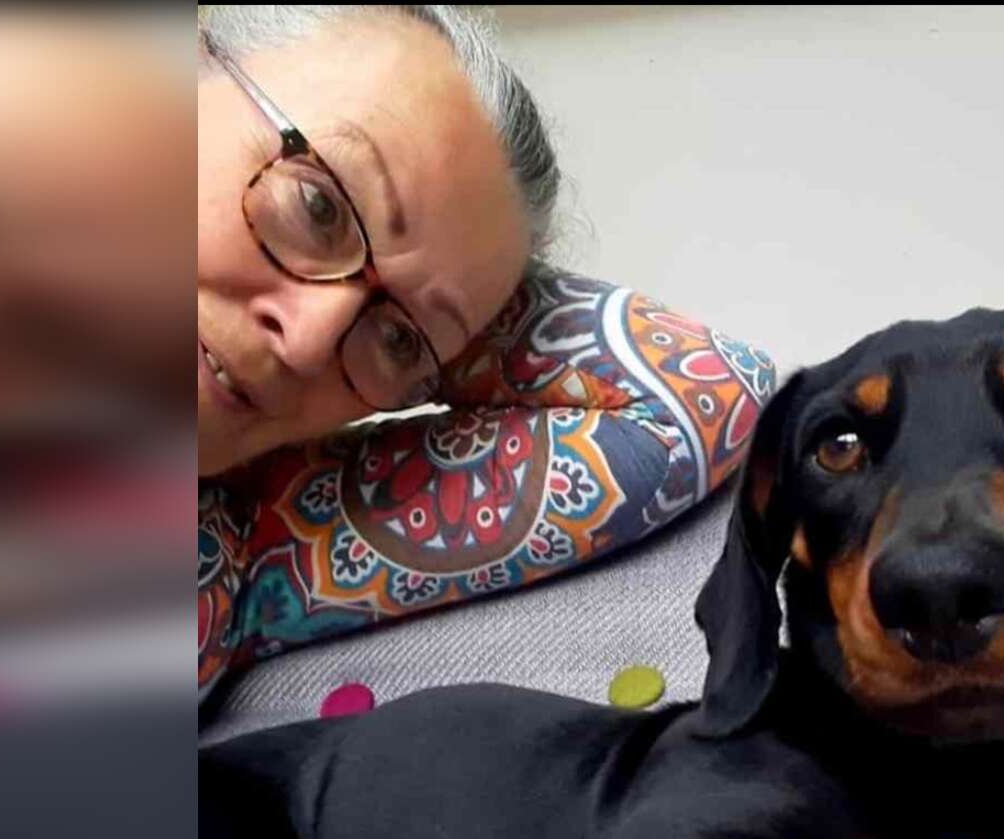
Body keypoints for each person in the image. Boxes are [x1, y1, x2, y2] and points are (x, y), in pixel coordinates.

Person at [196, 5, 775, 699]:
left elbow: (702, 396)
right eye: (319, 208)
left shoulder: (235, 551)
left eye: (398, 340)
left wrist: (460, 294)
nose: (310, 341)